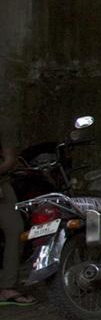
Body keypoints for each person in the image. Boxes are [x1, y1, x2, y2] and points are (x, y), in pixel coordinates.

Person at [1, 114, 36, 307]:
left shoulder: (4, 124)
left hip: (1, 187)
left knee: (14, 230)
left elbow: (9, 159)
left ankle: (7, 287)